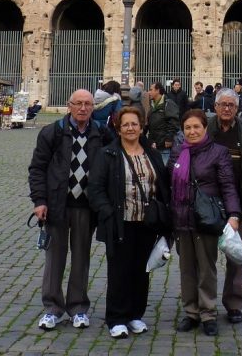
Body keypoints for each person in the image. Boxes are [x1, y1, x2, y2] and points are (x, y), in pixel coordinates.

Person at [87, 105, 171, 340]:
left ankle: (135, 314)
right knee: (119, 270)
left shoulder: (151, 153)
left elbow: (162, 184)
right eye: (125, 124)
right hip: (119, 221)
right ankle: (116, 318)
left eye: (134, 123)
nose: (130, 128)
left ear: (142, 126)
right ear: (118, 127)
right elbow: (95, 188)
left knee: (141, 270)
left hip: (147, 222)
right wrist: (107, 212)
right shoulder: (107, 154)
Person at [28, 89, 107, 331]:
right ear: (68, 105)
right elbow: (37, 168)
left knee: (81, 257)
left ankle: (78, 308)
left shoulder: (101, 133)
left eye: (88, 104)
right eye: (78, 104)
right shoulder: (52, 132)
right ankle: (52, 308)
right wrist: (40, 200)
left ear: (94, 107)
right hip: (57, 204)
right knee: (54, 258)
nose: (83, 108)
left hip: (86, 206)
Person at [169, 109, 241, 337]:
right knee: (187, 268)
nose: (192, 131)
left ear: (205, 128)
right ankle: (191, 312)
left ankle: (208, 312)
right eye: (187, 128)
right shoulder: (178, 151)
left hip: (206, 218)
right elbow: (168, 181)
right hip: (182, 217)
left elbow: (228, 184)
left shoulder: (218, 152)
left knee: (207, 268)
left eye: (196, 127)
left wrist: (234, 214)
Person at [206, 89, 242, 324]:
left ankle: (234, 303)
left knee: (236, 256)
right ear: (215, 106)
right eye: (222, 104)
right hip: (206, 203)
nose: (227, 109)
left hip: (238, 204)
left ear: (237, 109)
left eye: (231, 105)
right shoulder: (204, 128)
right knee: (205, 258)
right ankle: (203, 302)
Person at [146, 82, 180, 164]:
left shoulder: (168, 103)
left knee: (164, 171)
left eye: (151, 90)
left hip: (164, 146)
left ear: (157, 90)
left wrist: (168, 139)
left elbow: (173, 122)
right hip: (155, 145)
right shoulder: (153, 104)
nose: (148, 92)